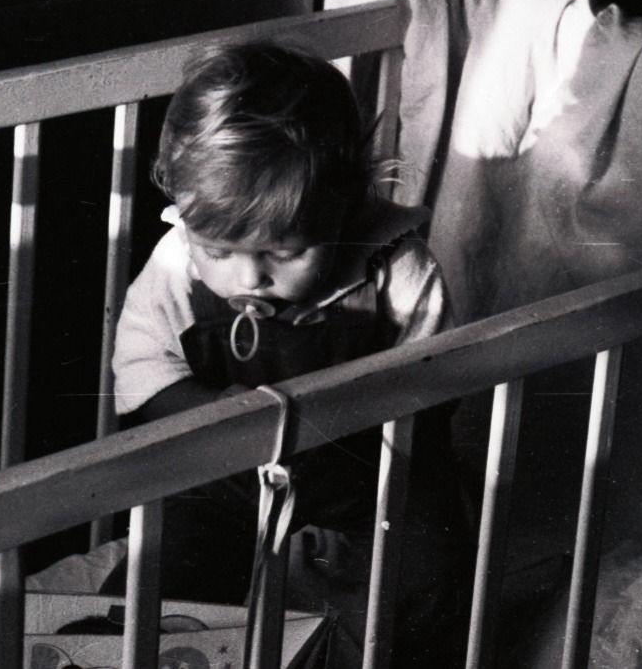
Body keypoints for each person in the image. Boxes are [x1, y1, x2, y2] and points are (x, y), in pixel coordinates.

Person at [104, 41, 470, 666]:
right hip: (226, 478)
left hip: (373, 477)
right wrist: (214, 412)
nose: (250, 276)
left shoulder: (394, 266)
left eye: (285, 251)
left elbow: (435, 386)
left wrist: (345, 446)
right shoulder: (175, 264)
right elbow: (142, 366)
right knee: (146, 591)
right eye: (219, 251)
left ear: (346, 206)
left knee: (432, 573)